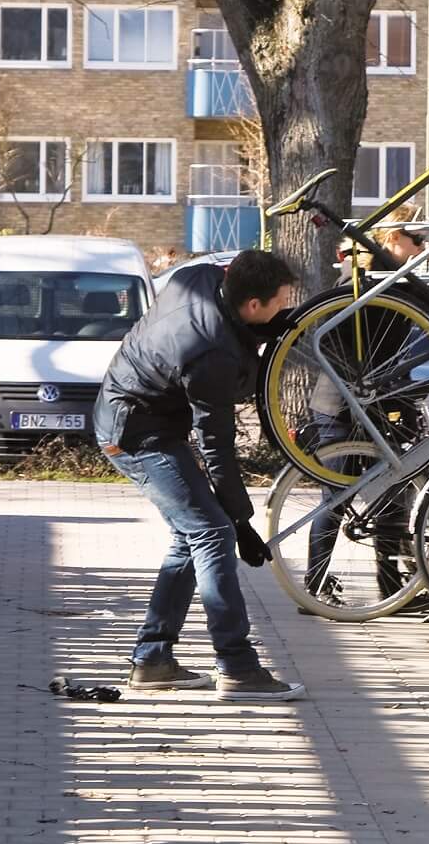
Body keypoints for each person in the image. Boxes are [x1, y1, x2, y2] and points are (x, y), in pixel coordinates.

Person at [97, 247, 302, 701]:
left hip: (138, 415)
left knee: (191, 536)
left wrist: (258, 332)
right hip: (135, 433)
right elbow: (216, 447)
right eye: (280, 302)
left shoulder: (199, 277)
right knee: (212, 533)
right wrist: (241, 521)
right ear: (253, 304)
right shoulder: (210, 355)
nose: (284, 308)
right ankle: (237, 666)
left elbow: (225, 320)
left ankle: (153, 660)